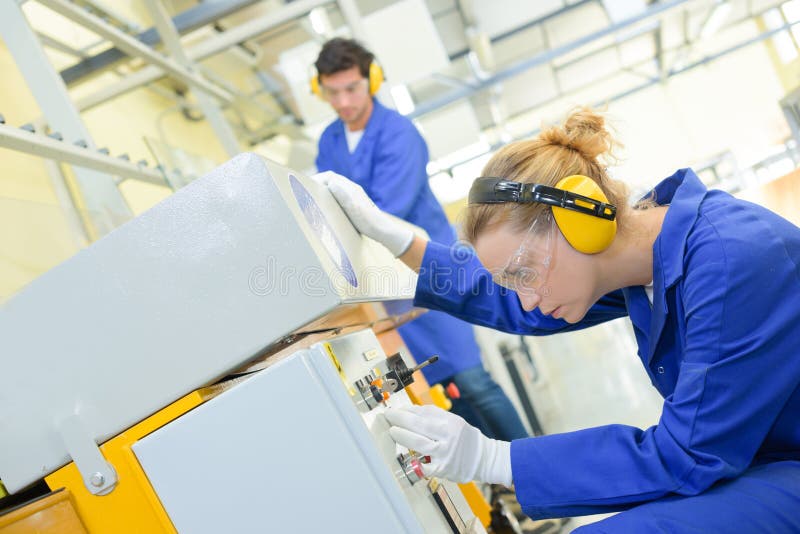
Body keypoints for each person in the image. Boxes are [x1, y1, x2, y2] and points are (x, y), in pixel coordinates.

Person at [318, 107, 800, 531]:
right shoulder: (646, 259)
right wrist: (400, 242)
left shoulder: (729, 262)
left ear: (580, 219)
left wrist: (494, 458)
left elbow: (686, 454)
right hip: (760, 456)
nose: (526, 300)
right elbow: (506, 301)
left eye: (523, 273)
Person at [312, 37, 529, 443]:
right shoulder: (329, 141)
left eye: (351, 88)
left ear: (372, 80)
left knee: (472, 380)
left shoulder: (399, 133)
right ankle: (498, 480)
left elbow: (383, 210)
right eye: (332, 91)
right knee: (437, 393)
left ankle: (534, 467)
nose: (342, 101)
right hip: (387, 289)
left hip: (430, 270)